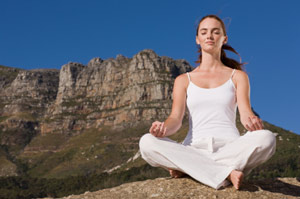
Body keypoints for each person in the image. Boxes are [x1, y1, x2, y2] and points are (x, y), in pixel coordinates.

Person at [139, 14, 276, 190]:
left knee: (267, 138)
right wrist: (163, 128)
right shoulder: (183, 80)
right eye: (204, 32)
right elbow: (175, 119)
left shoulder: (238, 77)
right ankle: (225, 173)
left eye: (215, 32)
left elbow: (245, 114)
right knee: (147, 142)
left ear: (224, 38)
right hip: (194, 149)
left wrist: (253, 122)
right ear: (198, 39)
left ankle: (191, 168)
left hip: (230, 148)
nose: (209, 36)